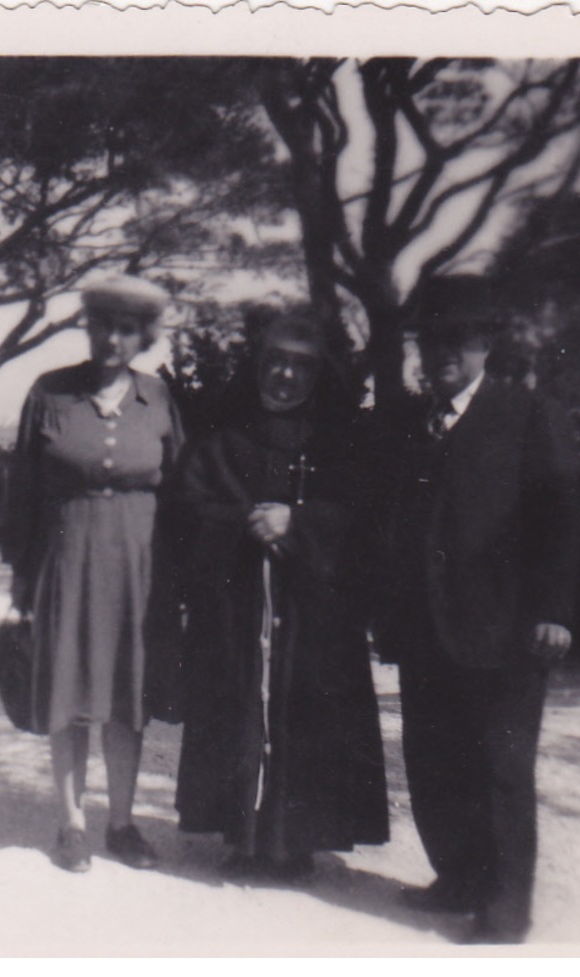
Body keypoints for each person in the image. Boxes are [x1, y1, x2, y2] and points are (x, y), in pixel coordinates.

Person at [373, 276, 580, 944]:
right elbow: (397, 525)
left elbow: (560, 519)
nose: (442, 354)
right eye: (431, 339)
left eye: (457, 341)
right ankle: (457, 878)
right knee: (433, 758)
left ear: (484, 343)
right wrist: (389, 613)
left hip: (506, 627)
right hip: (425, 626)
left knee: (500, 767)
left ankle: (505, 909)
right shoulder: (410, 423)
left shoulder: (525, 413)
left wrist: (552, 608)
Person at [172, 311, 389, 881]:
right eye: (274, 362)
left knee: (309, 714)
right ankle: (242, 836)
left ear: (318, 374)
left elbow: (365, 516)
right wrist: (243, 521)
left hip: (314, 612)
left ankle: (298, 841)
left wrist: (299, 522)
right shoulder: (223, 438)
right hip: (239, 609)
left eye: (299, 365)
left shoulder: (341, 442)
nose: (285, 376)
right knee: (240, 709)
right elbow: (189, 512)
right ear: (257, 366)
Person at [2, 274, 186, 874]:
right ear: (89, 326)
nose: (113, 338)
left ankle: (123, 823)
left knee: (128, 697)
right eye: (104, 324)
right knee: (69, 692)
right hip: (68, 563)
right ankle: (72, 824)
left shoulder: (157, 397)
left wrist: (183, 584)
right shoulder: (50, 394)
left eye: (127, 328)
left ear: (143, 336)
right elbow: (22, 491)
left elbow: (183, 490)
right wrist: (22, 581)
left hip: (142, 568)